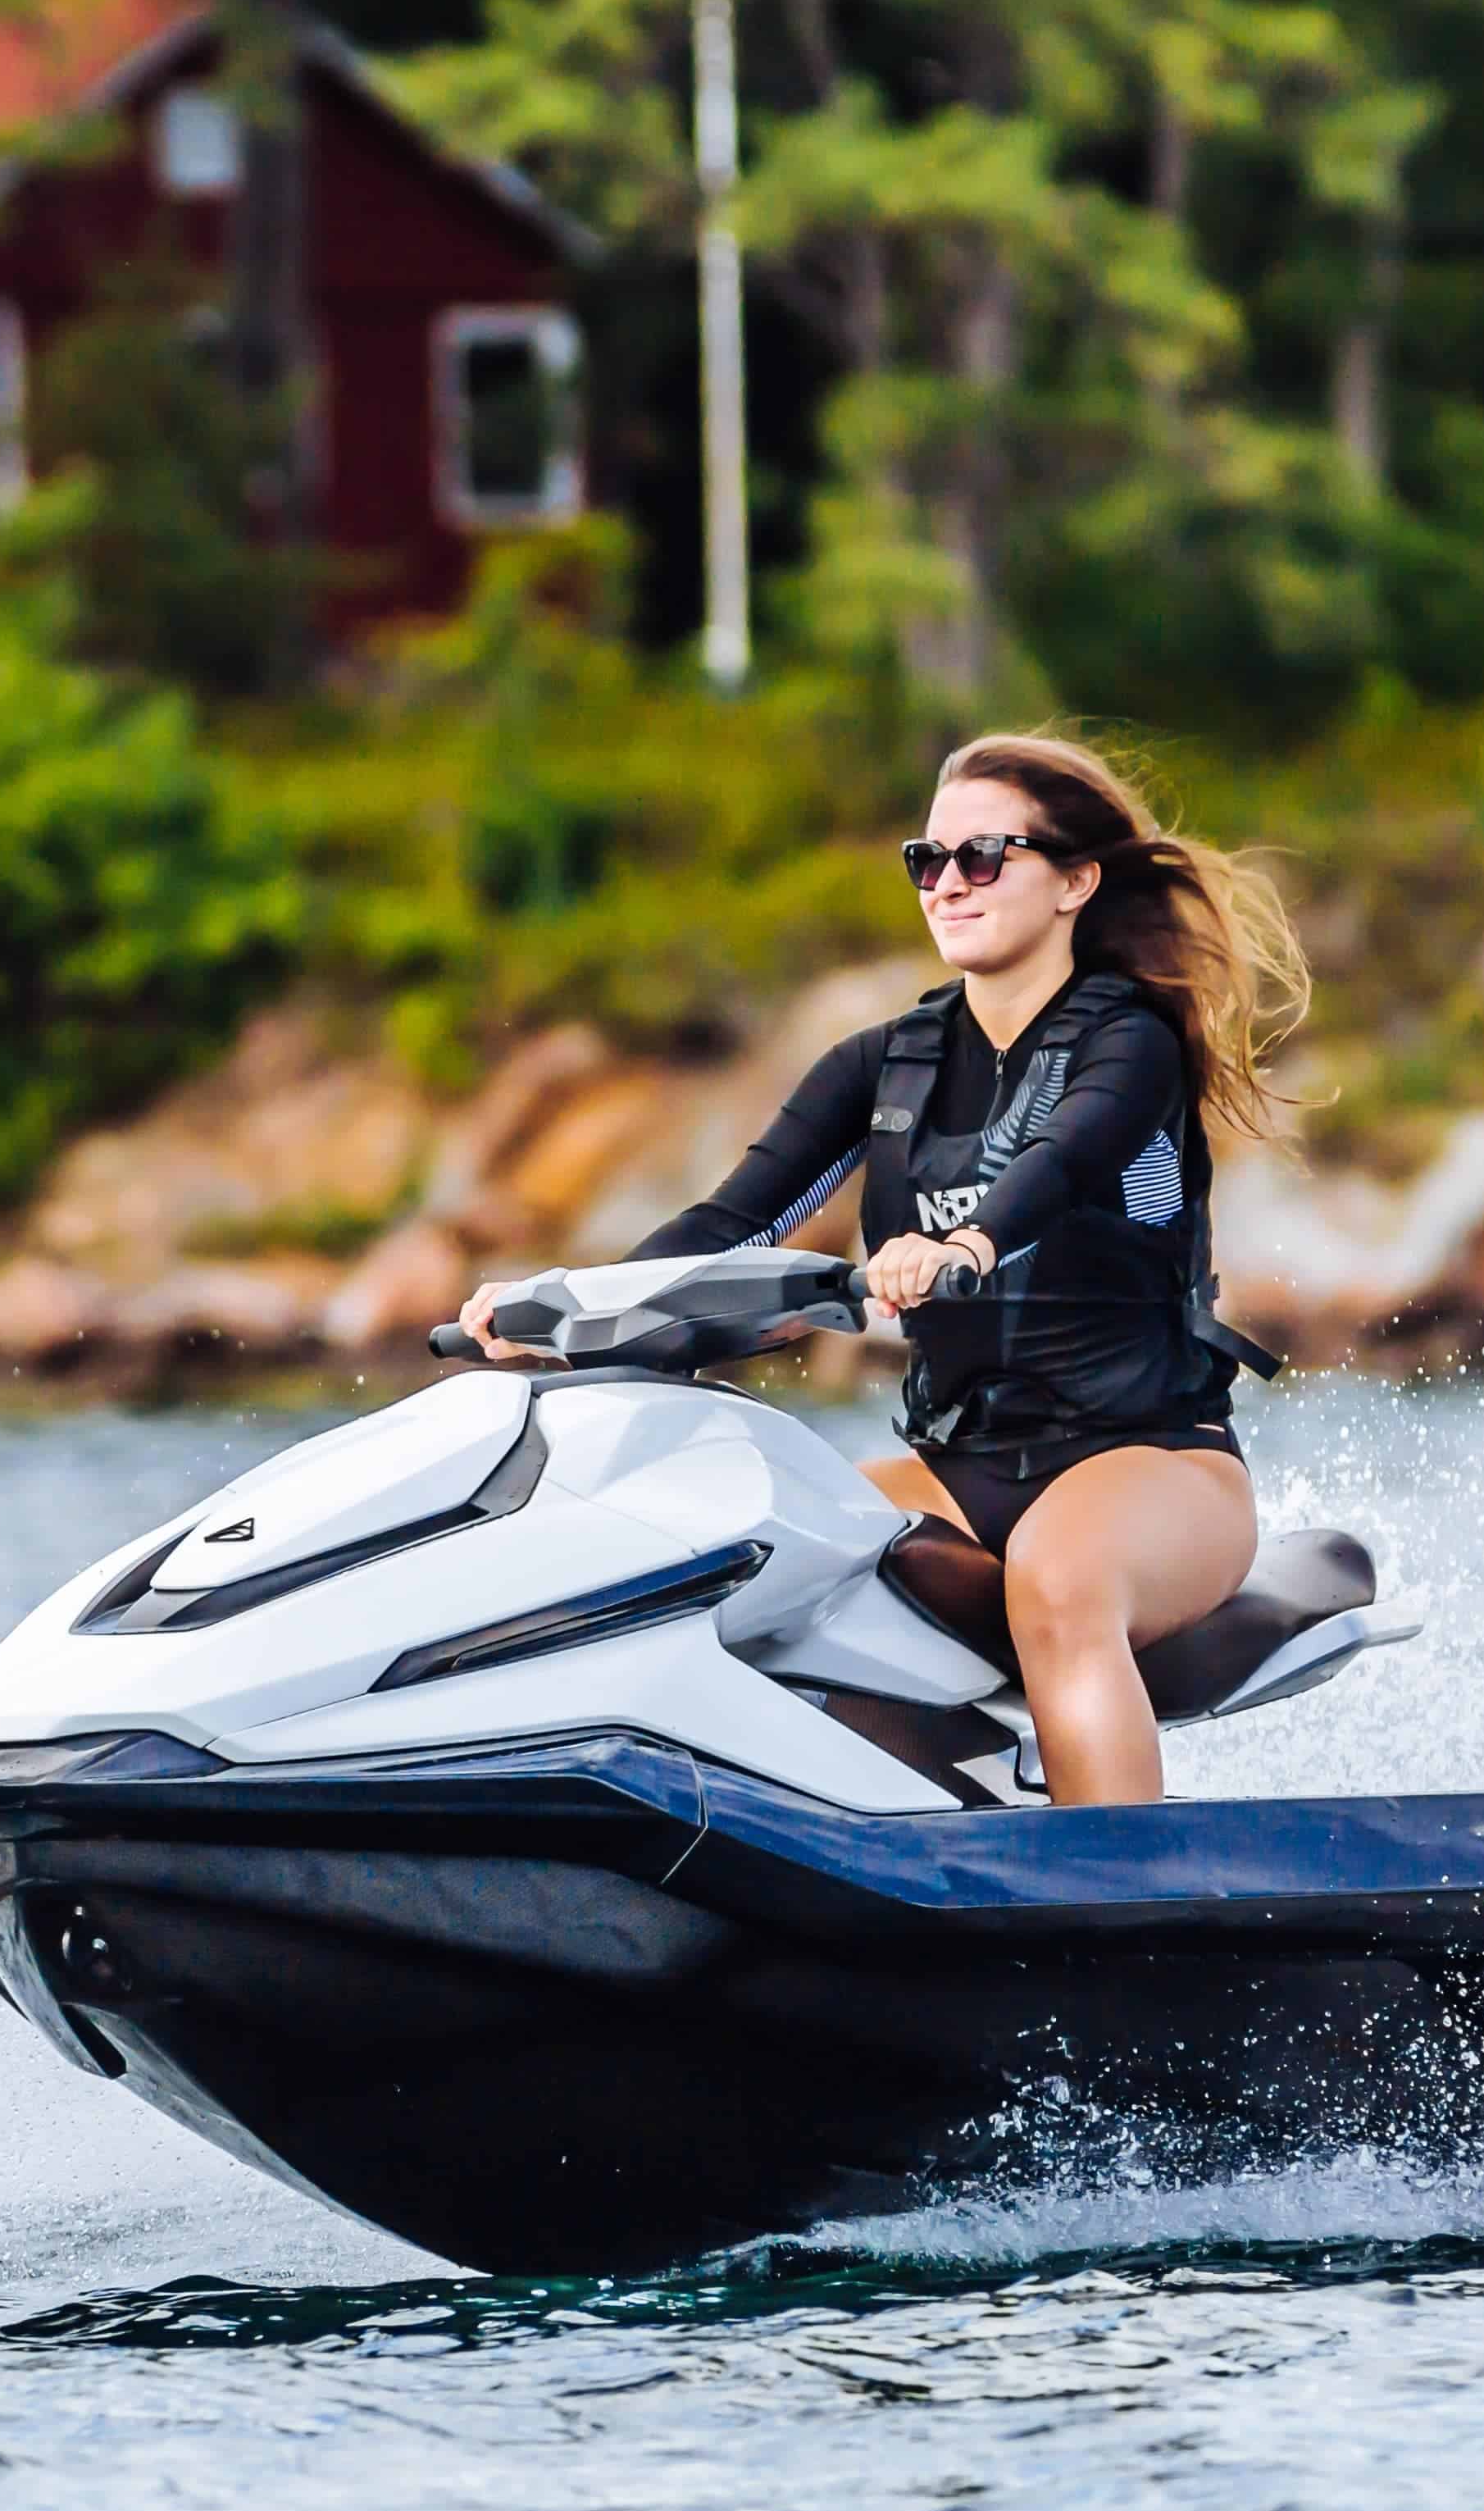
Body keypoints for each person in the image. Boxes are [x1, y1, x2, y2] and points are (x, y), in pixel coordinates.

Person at [461, 731, 1307, 1807]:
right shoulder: (885, 1065)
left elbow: (1063, 1157)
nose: (948, 884)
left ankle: (1119, 1894)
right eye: (928, 860)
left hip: (1157, 1466)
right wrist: (567, 1304)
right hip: (960, 1472)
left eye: (984, 857)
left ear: (1075, 883)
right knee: (750, 1565)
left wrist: (964, 1244)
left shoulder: (1129, 1044)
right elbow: (737, 1217)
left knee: (1059, 1581)